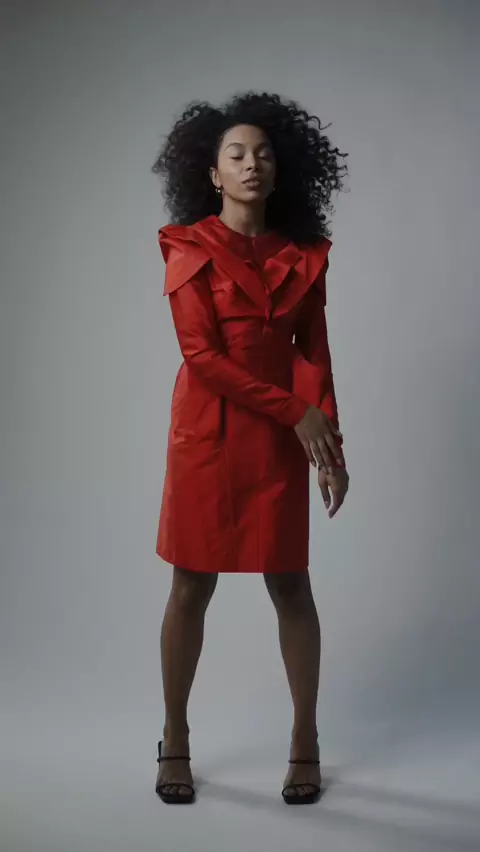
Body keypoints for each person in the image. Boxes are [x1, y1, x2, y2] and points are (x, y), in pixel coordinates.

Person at [151, 92, 349, 806]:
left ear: (279, 169)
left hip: (280, 437)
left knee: (291, 583)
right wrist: (299, 413)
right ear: (212, 174)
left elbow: (314, 354)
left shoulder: (304, 256)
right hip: (208, 433)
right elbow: (202, 357)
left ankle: (305, 740)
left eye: (263, 154)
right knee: (190, 585)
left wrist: (330, 443)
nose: (251, 164)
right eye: (236, 154)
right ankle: (175, 737)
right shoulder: (188, 247)